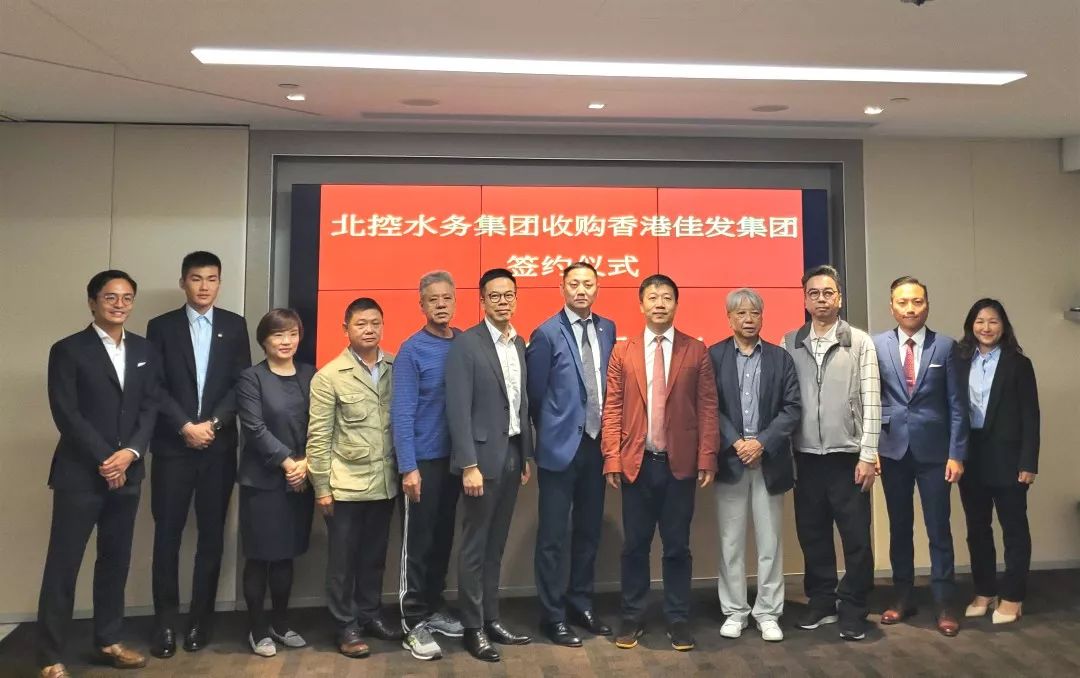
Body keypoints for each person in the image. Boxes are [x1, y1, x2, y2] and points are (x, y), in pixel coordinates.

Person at [37, 270, 159, 677]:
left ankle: (109, 640)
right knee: (64, 565)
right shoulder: (68, 350)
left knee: (114, 561)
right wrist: (107, 460)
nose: (119, 304)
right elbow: (66, 412)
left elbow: (150, 407)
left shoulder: (145, 350)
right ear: (92, 302)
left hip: (129, 472)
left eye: (127, 297)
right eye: (110, 297)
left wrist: (129, 454)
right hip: (80, 475)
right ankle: (50, 657)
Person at [602, 274, 719, 653]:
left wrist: (707, 456)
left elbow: (707, 407)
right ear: (641, 304)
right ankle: (632, 615)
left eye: (667, 297)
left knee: (677, 547)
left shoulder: (695, 351)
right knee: (635, 546)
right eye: (652, 297)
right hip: (637, 463)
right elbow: (612, 407)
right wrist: (612, 457)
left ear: (676, 305)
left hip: (678, 465)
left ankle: (678, 618)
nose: (659, 304)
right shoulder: (624, 351)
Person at [147, 251, 251, 657]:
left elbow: (241, 383)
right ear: (183, 283)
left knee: (211, 536)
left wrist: (215, 424)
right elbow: (154, 386)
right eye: (196, 278)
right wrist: (184, 426)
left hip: (218, 449)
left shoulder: (234, 325)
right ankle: (164, 623)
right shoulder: (161, 327)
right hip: (173, 448)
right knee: (167, 537)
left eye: (211, 279)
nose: (204, 286)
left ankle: (199, 622)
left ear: (219, 283)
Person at [782, 265, 880, 642]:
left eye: (828, 293)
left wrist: (868, 454)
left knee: (856, 538)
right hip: (805, 456)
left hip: (848, 456)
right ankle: (822, 601)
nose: (821, 299)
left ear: (839, 297)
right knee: (812, 534)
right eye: (813, 293)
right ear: (804, 299)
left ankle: (854, 607)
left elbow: (872, 401)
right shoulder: (790, 341)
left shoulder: (859, 342)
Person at [526, 261, 617, 647]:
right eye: (574, 284)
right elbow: (534, 395)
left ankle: (581, 603)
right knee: (552, 537)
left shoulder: (608, 328)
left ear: (597, 288)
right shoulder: (546, 333)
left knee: (589, 531)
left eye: (588, 284)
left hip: (598, 447)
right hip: (560, 450)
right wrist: (552, 432)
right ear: (562, 288)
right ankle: (553, 615)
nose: (581, 290)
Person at [446, 268, 534, 663]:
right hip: (480, 461)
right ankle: (473, 627)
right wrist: (468, 463)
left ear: (516, 298)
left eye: (508, 294)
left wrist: (526, 454)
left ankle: (492, 618)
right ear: (481, 300)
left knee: (496, 544)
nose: (502, 301)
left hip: (512, 453)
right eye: (494, 295)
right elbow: (457, 409)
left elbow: (521, 403)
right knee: (475, 547)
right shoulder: (467, 344)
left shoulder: (519, 343)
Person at [307, 297, 403, 658]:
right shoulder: (329, 376)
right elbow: (319, 438)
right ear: (345, 328)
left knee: (374, 557)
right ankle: (345, 625)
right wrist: (321, 488)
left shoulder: (395, 366)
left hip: (385, 482)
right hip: (345, 487)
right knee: (343, 562)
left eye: (375, 323)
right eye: (361, 323)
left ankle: (370, 614)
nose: (369, 330)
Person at [873, 276, 968, 637]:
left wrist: (956, 454)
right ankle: (902, 598)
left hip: (935, 453)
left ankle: (944, 603)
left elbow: (957, 406)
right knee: (900, 528)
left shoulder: (946, 347)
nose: (910, 308)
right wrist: (871, 448)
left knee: (939, 528)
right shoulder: (876, 345)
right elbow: (871, 401)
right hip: (892, 449)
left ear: (927, 304)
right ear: (891, 307)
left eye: (917, 301)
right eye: (902, 302)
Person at [708, 288, 801, 643]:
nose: (748, 319)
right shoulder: (714, 355)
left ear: (763, 317)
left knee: (770, 542)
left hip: (769, 459)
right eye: (741, 313)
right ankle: (735, 611)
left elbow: (792, 408)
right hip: (730, 459)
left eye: (755, 313)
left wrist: (761, 443)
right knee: (730, 542)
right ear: (729, 318)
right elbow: (710, 406)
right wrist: (737, 442)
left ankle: (768, 612)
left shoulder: (780, 358)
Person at [393, 271, 465, 661]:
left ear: (455, 301)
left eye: (446, 298)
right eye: (433, 299)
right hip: (421, 463)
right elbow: (402, 413)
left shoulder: (465, 343)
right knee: (417, 546)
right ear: (421, 305)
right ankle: (412, 622)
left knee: (442, 539)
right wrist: (409, 467)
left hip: (455, 463)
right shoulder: (411, 350)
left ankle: (434, 607)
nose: (440, 304)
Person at [235, 309, 315, 657]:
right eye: (278, 334)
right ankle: (257, 629)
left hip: (301, 479)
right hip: (263, 482)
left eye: (292, 333)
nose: (286, 341)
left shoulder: (311, 374)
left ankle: (280, 624)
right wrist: (288, 463)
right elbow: (254, 429)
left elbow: (321, 424)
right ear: (264, 340)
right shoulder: (251, 378)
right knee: (260, 557)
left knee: (286, 556)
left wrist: (306, 464)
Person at [957, 299, 1039, 625]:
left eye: (993, 321)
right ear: (971, 325)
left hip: (1009, 459)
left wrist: (1028, 462)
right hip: (971, 456)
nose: (986, 328)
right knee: (977, 529)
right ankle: (985, 591)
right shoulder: (960, 360)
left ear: (1003, 326)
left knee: (1014, 529)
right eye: (980, 321)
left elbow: (1031, 416)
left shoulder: (1019, 364)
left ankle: (1014, 597)